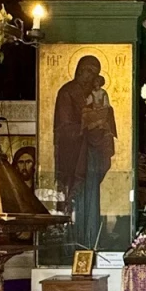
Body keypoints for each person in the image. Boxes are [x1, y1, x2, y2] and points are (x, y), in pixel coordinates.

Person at [53, 57, 117, 250]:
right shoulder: (67, 92)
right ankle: (73, 245)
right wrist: (85, 124)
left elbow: (104, 112)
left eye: (94, 73)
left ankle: (91, 241)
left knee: (91, 195)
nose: (89, 76)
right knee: (75, 197)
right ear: (79, 70)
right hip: (73, 155)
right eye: (87, 71)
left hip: (92, 153)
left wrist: (102, 121)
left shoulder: (95, 93)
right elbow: (63, 126)